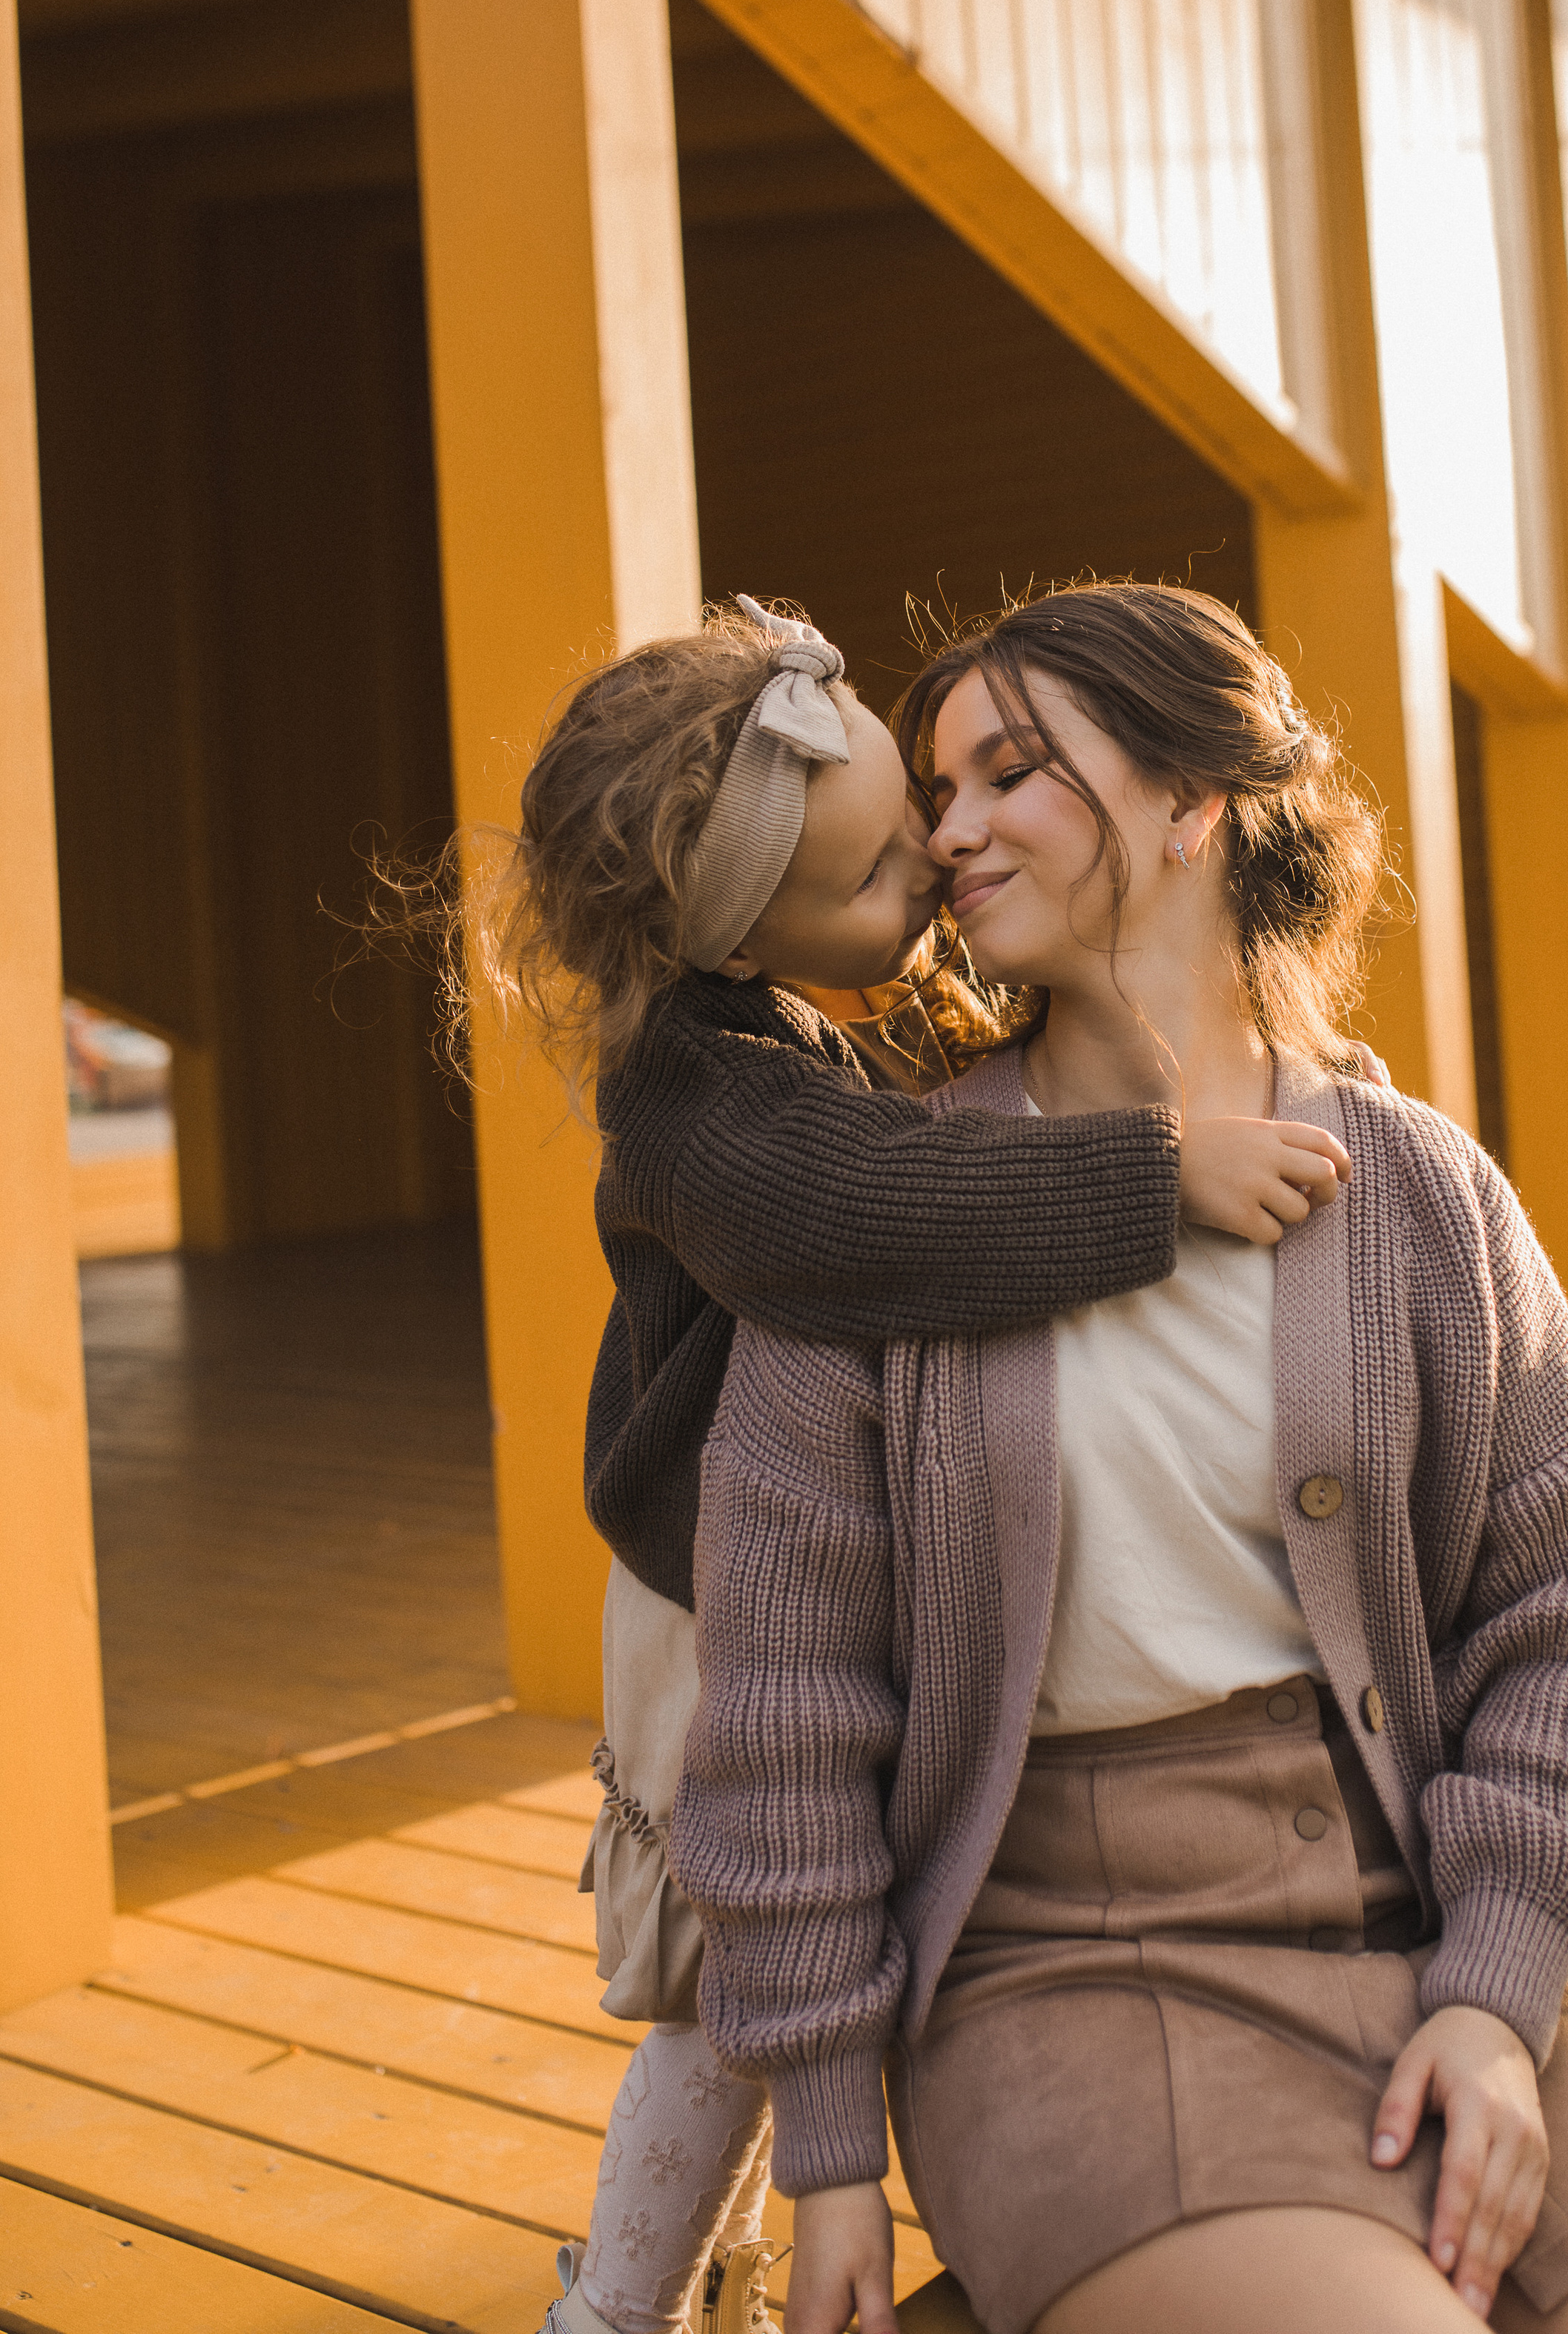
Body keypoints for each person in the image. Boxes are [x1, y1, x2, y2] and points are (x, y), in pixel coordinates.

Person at [670, 581, 1568, 2334]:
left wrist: (1490, 1990)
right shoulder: (883, 1214)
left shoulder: (1417, 1191)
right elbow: (785, 1708)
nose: (947, 833)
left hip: (1428, 1920)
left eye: (1008, 773)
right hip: (1070, 1971)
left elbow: (1562, 1614)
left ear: (1190, 804)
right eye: (937, 792)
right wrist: (828, 2147)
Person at [440, 596, 1361, 2334]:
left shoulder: (788, 1016)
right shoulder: (697, 1103)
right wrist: (1151, 1175)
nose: (934, 871)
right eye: (879, 872)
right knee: (739, 1956)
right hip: (719, 1570)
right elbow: (874, 1212)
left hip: (812, 1533)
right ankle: (621, 2301)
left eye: (919, 819)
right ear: (740, 937)